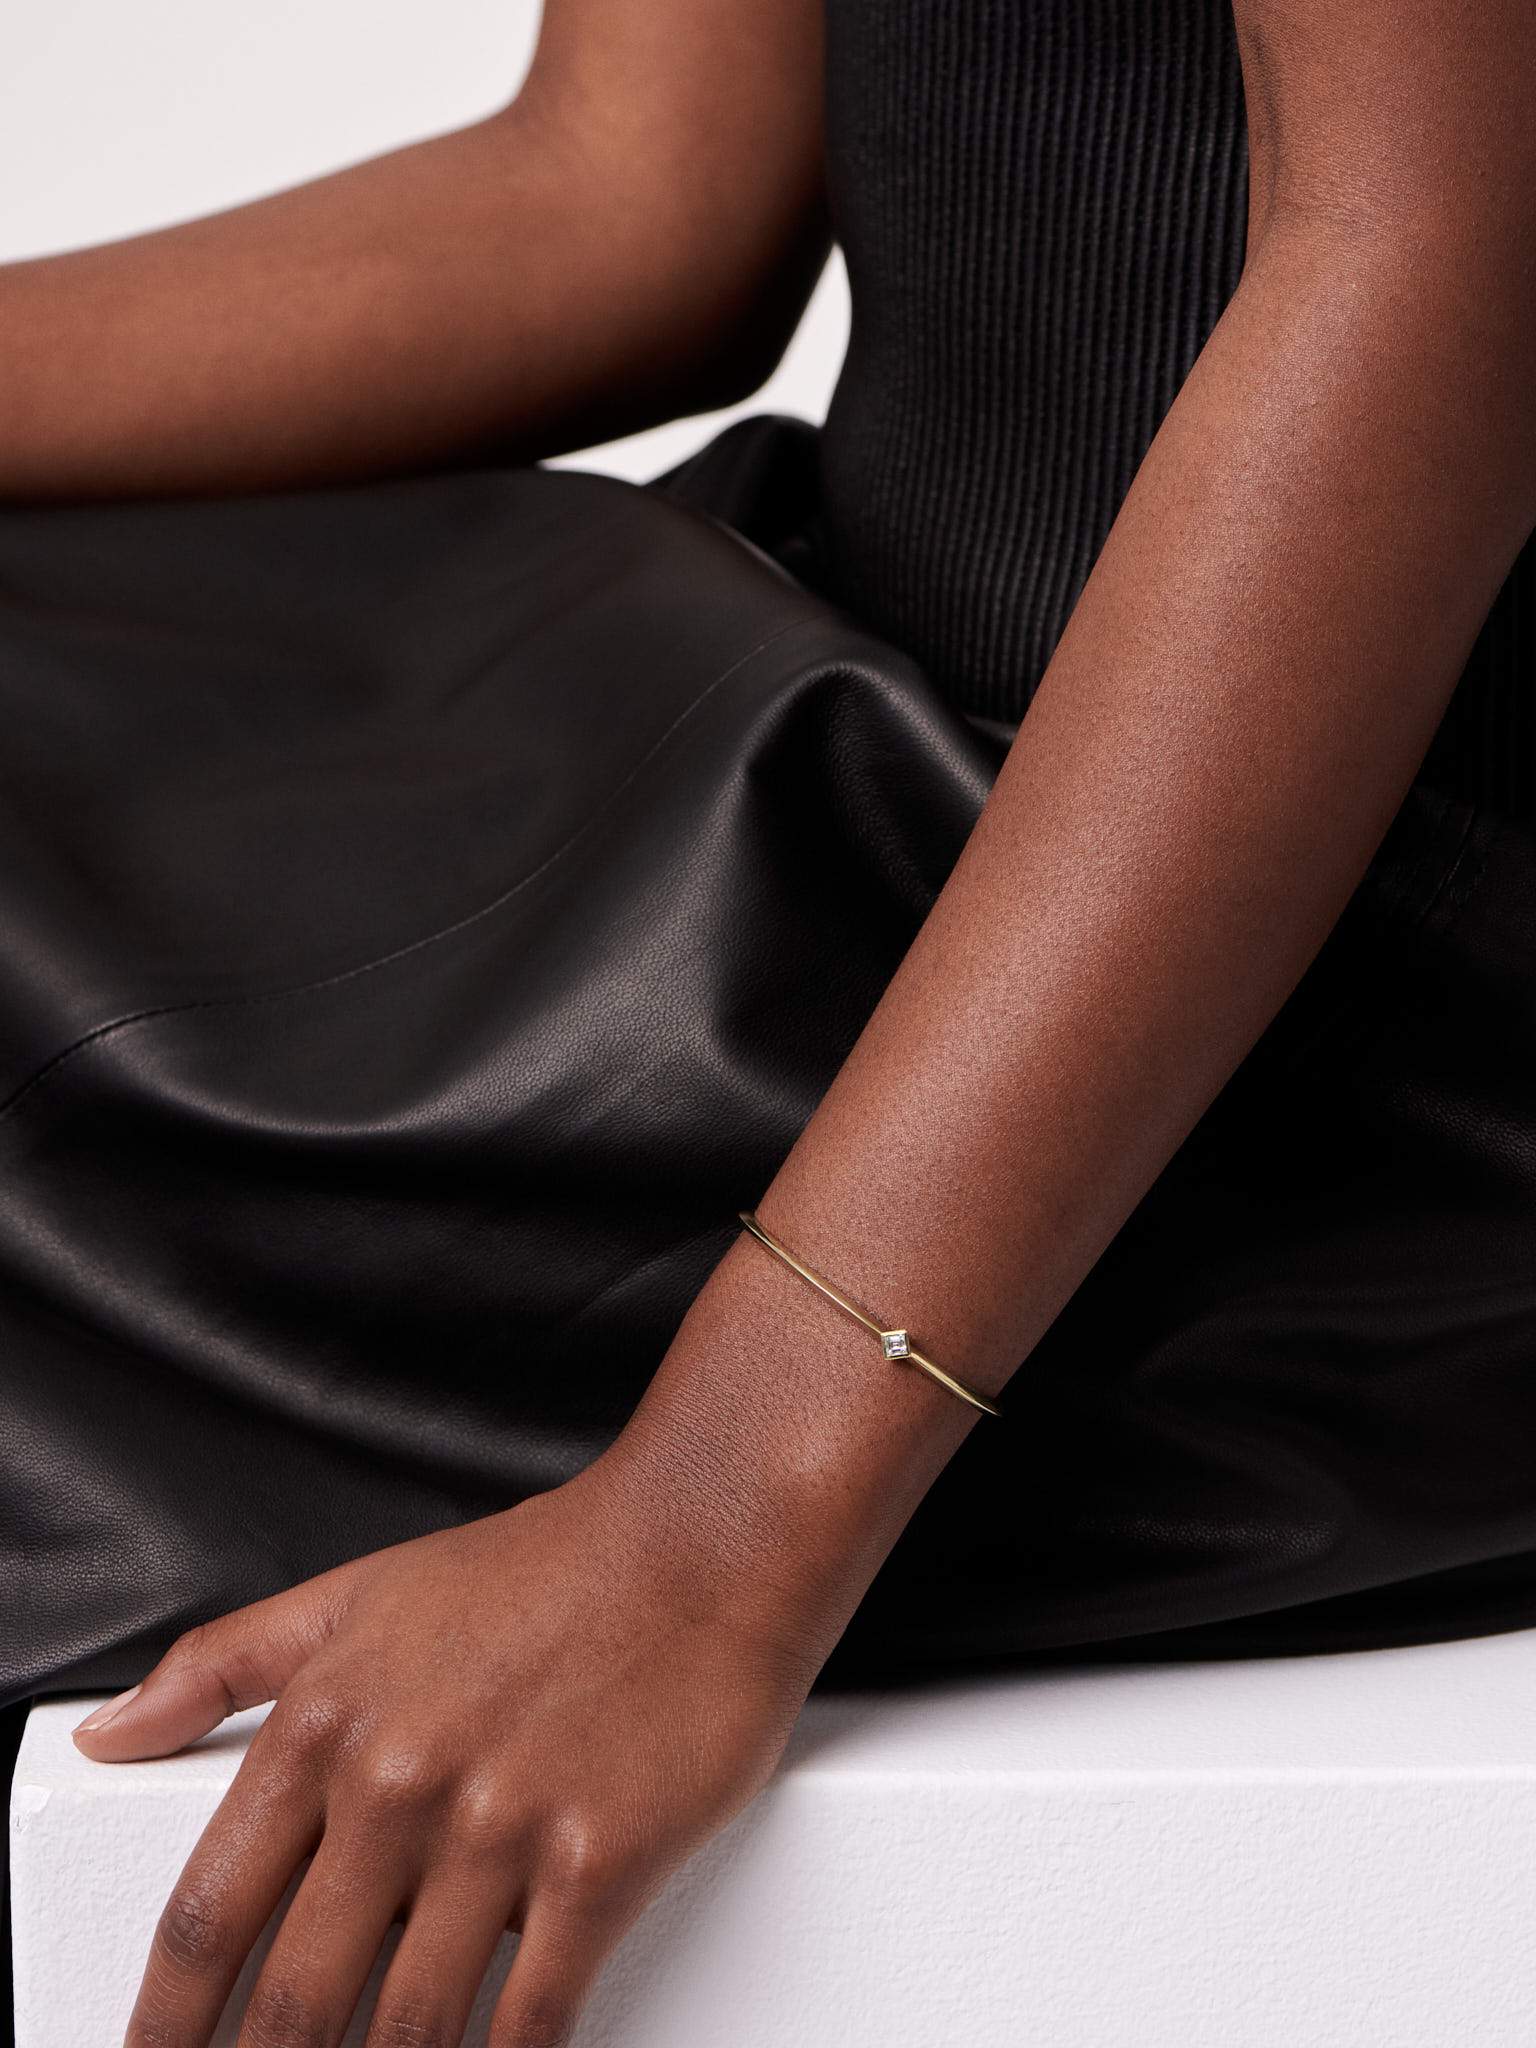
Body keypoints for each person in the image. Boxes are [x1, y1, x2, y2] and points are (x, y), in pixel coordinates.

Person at [3, 1, 1535, 2043]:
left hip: (1310, 998)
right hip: (855, 728)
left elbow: (1442, 265)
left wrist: (716, 1516)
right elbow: (628, 198)